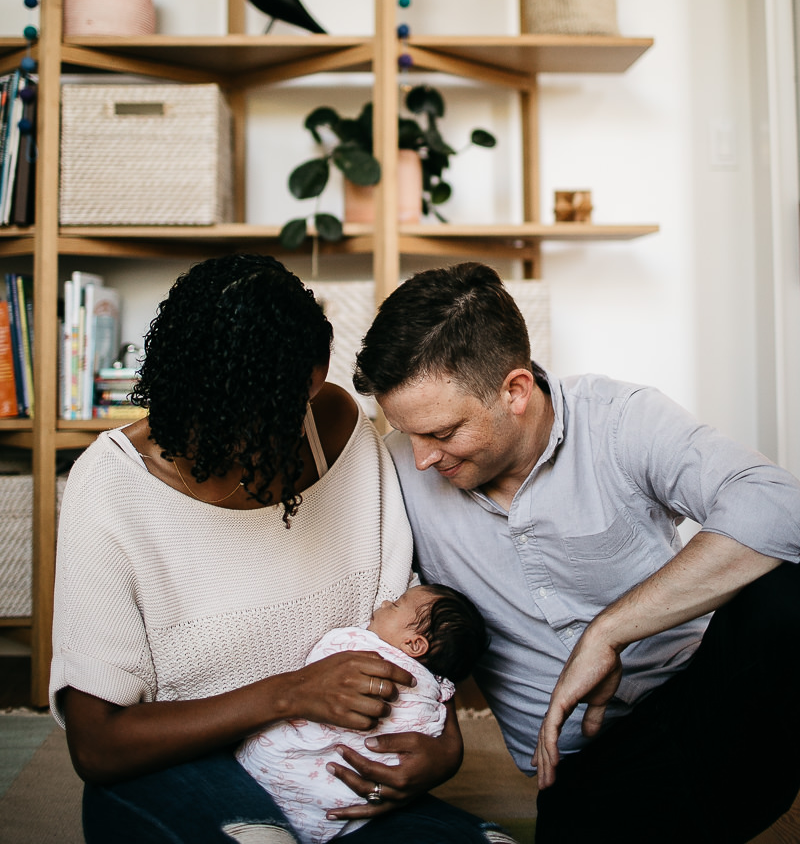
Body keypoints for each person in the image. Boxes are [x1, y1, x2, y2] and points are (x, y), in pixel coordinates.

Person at [50, 254, 515, 844]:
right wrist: (291, 693)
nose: (217, 448)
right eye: (200, 421)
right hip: (178, 770)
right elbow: (96, 745)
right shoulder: (112, 484)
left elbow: (405, 622)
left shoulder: (343, 436)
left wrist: (443, 748)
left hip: (329, 775)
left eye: (315, 381)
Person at [352, 261, 800, 844]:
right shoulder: (394, 473)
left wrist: (608, 631)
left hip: (711, 712)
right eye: (408, 434)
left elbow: (779, 504)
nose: (421, 459)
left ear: (515, 390)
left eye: (442, 433)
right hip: (585, 774)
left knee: (786, 588)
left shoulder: (619, 421)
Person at [237, 584, 489, 843]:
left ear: (414, 643)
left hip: (273, 775)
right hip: (342, 806)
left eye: (395, 605)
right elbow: (432, 729)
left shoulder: (360, 645)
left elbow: (321, 658)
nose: (383, 603)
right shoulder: (436, 693)